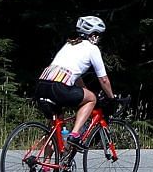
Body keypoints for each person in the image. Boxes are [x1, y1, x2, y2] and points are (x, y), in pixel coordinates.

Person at [34, 15, 117, 151]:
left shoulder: (69, 44)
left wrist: (84, 89)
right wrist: (111, 98)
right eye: (98, 35)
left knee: (55, 129)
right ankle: (75, 134)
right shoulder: (92, 49)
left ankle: (46, 167)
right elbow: (103, 79)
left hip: (42, 85)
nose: (99, 38)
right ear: (93, 35)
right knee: (92, 99)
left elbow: (75, 75)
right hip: (59, 87)